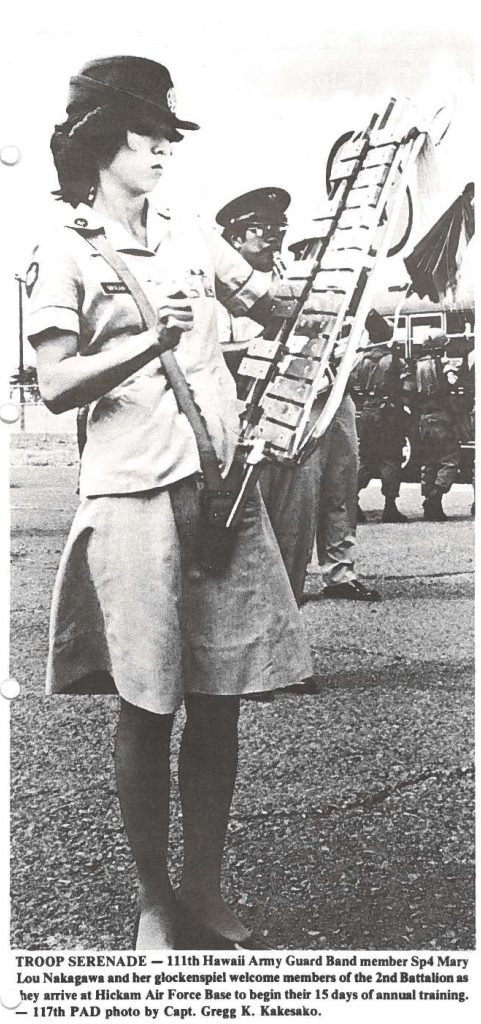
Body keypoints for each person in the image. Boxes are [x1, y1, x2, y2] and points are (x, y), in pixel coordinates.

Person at [26, 56, 312, 951]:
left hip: (221, 492)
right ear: (100, 141)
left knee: (218, 701)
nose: (160, 149)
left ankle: (203, 890)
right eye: (146, 134)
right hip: (134, 498)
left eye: (164, 135)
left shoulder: (192, 232)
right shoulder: (63, 247)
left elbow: (275, 308)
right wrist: (149, 342)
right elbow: (57, 380)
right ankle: (154, 901)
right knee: (147, 706)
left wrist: (341, 274)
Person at [216, 189, 381, 605]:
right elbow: (218, 351)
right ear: (235, 240)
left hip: (325, 389)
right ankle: (280, 584)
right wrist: (267, 344)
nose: (273, 239)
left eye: (278, 230)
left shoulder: (293, 277)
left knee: (342, 479)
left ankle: (340, 570)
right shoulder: (220, 287)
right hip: (272, 400)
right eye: (262, 231)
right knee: (291, 498)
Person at [355, 320, 414, 523]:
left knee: (366, 458)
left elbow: (353, 386)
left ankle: (351, 501)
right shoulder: (395, 360)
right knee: (391, 458)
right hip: (389, 414)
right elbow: (408, 388)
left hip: (367, 412)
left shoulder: (361, 360)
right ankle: (390, 506)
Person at [414, 329, 461, 521]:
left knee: (430, 461)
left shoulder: (417, 365)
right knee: (450, 459)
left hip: (423, 419)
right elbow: (453, 381)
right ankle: (435, 497)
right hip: (441, 417)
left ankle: (430, 502)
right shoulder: (443, 363)